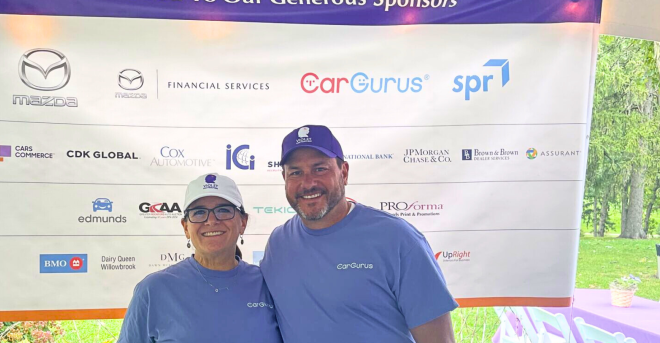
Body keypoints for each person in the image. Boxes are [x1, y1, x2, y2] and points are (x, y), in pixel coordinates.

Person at [260, 125, 458, 343]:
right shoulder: (278, 243)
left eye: (320, 169)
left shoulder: (398, 239)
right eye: (296, 172)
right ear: (284, 178)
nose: (308, 183)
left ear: (343, 172)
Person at [118, 173, 281, 343]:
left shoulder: (267, 284)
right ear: (186, 227)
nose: (211, 221)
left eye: (223, 210)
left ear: (243, 222)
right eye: (199, 212)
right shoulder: (154, 290)